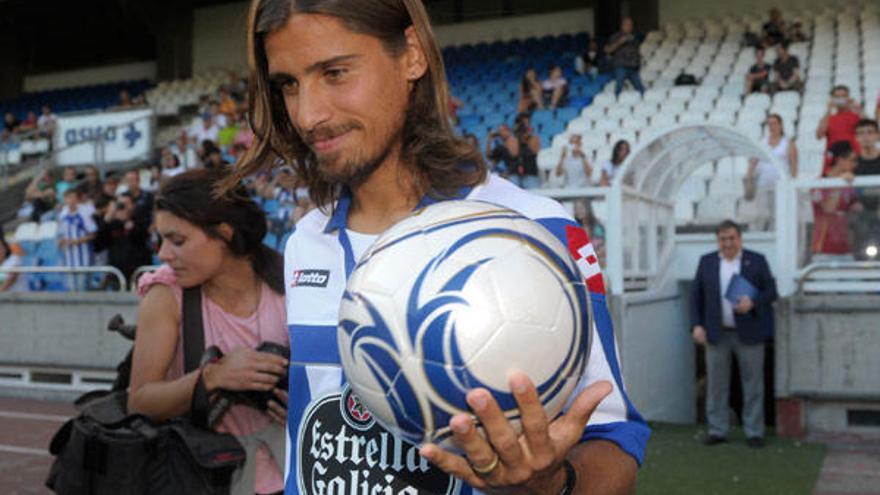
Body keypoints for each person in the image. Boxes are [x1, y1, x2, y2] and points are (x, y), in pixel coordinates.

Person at [231, 1, 649, 493]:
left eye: (336, 73)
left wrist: (546, 482)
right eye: (289, 85)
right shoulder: (307, 243)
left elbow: (613, 445)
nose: (308, 114)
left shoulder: (535, 230)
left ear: (411, 54)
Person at [128, 168, 287, 495]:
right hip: (206, 478)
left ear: (224, 233)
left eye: (178, 240)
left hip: (294, 474)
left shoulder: (291, 281)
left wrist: (302, 400)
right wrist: (213, 378)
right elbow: (140, 401)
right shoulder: (165, 295)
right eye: (161, 240)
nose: (163, 254)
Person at [690, 220, 778, 448]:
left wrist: (753, 302)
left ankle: (754, 431)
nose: (727, 243)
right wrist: (696, 326)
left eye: (732, 238)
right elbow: (695, 297)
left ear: (740, 238)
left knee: (753, 383)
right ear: (717, 240)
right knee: (716, 384)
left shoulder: (756, 261)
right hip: (716, 333)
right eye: (723, 239)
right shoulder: (707, 262)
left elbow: (771, 291)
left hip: (749, 332)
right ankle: (717, 429)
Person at [743, 114, 798, 230]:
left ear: (781, 125)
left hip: (780, 186)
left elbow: (793, 165)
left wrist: (792, 183)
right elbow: (753, 162)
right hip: (763, 185)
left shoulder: (788, 143)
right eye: (770, 124)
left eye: (774, 123)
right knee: (760, 215)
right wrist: (749, 177)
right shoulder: (762, 142)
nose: (772, 127)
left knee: (777, 216)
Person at [810, 141, 862, 261]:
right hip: (824, 249)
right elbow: (829, 208)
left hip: (846, 247)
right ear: (840, 160)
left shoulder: (850, 183)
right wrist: (839, 184)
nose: (855, 164)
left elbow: (857, 208)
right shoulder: (819, 183)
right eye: (852, 160)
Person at [816, 85, 865, 175]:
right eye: (837, 97)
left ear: (848, 97)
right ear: (832, 99)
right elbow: (819, 135)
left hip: (853, 156)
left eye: (843, 96)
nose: (841, 99)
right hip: (833, 158)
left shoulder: (856, 116)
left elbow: (869, 127)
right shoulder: (828, 118)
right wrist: (828, 109)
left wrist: (857, 107)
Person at [58, 187, 97, 291]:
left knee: (81, 287)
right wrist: (61, 241)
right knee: (71, 288)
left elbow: (93, 234)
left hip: (83, 257)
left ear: (77, 200)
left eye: (73, 198)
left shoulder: (83, 214)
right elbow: (61, 234)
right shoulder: (63, 215)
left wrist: (77, 241)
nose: (71, 200)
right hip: (69, 258)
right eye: (68, 198)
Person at [606, 17, 645, 96]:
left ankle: (643, 104)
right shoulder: (616, 36)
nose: (629, 27)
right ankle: (616, 103)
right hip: (621, 66)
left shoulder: (634, 38)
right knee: (619, 87)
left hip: (632, 67)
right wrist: (619, 42)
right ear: (622, 26)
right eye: (627, 24)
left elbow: (636, 51)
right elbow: (608, 50)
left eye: (631, 25)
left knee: (641, 89)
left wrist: (638, 59)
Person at [513, 114, 542, 189]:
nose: (526, 125)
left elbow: (535, 151)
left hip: (531, 173)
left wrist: (527, 137)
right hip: (515, 174)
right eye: (523, 123)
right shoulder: (514, 139)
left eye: (527, 123)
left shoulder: (534, 138)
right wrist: (517, 135)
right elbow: (514, 153)